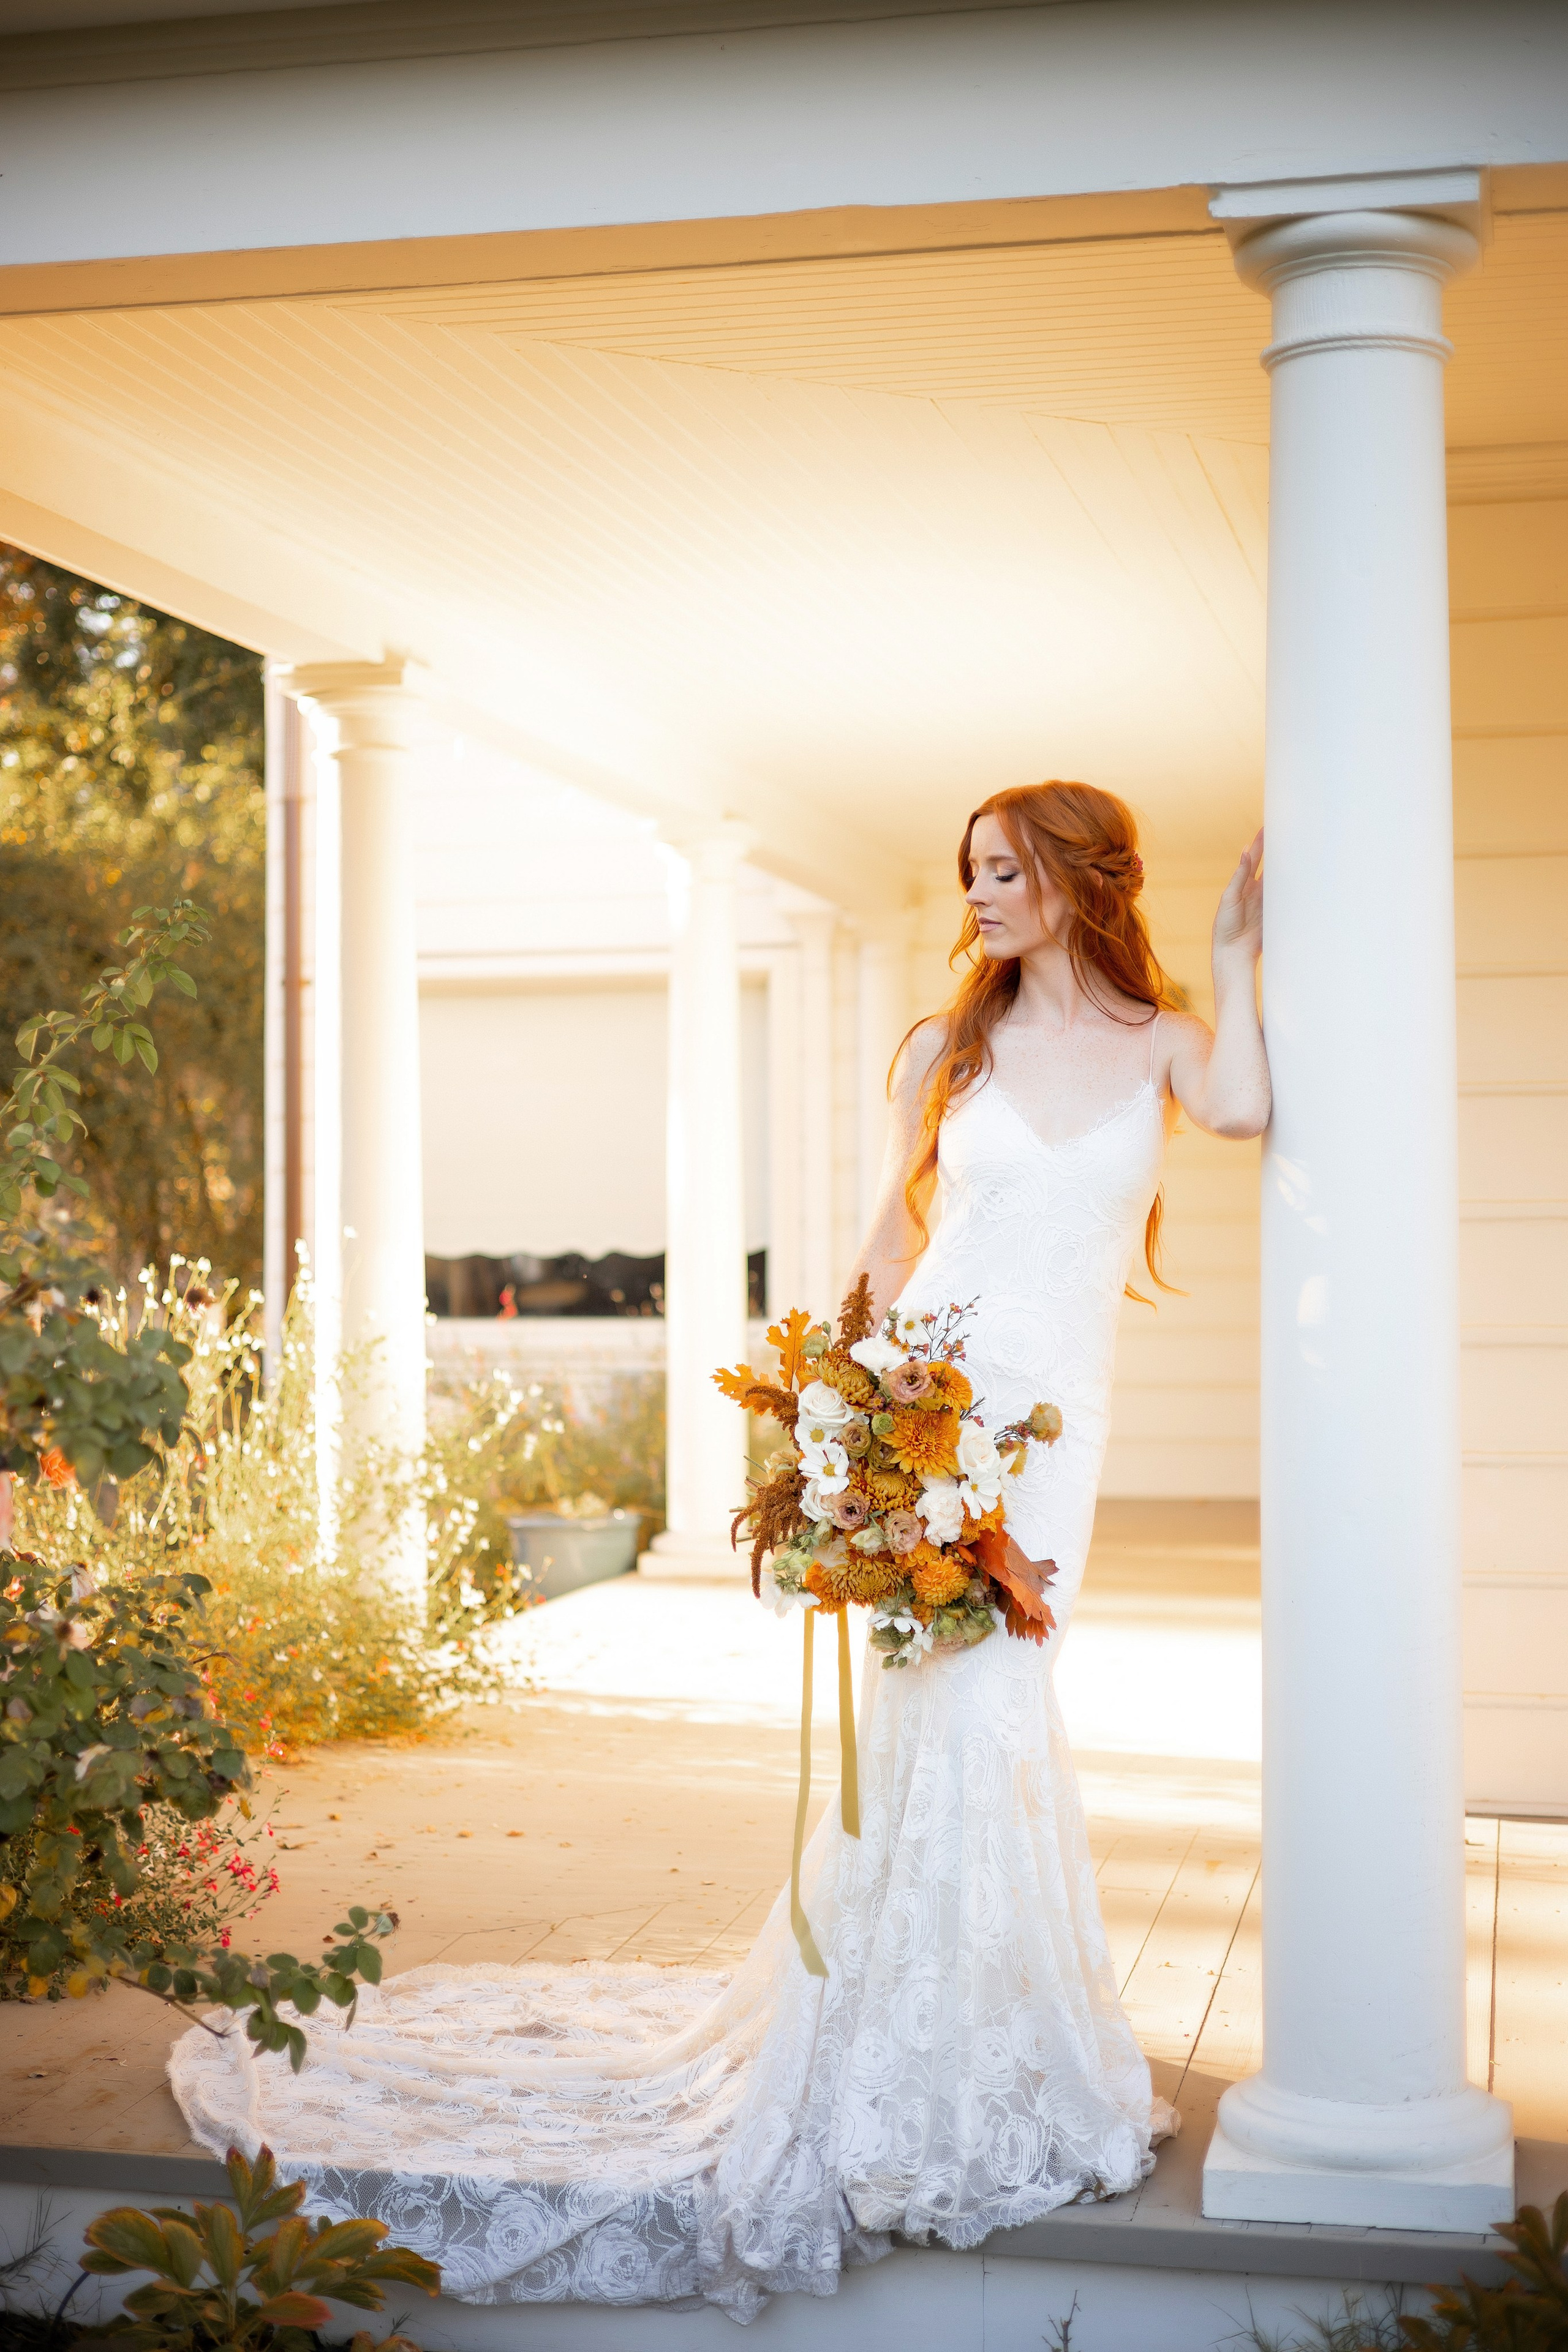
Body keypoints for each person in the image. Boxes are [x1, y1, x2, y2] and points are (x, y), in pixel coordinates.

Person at [170, 779, 1270, 2326]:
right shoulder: (945, 1048)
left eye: (1002, 873)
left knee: (1000, 1701)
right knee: (938, 1707)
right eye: (967, 875)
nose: (977, 899)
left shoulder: (1162, 1043)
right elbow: (896, 1233)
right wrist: (843, 1404)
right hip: (935, 1408)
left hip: (1056, 1431)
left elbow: (1241, 1107)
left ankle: (972, 2040)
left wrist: (1234, 948)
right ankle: (902, 2047)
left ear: (1078, 880)